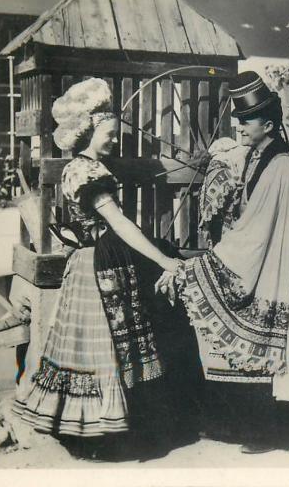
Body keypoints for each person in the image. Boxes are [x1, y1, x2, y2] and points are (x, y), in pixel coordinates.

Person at [175, 71, 289, 454]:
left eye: (246, 121)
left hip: (283, 254)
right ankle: (276, 423)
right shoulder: (257, 155)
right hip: (268, 248)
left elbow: (263, 221)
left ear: (268, 124)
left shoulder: (282, 164)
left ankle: (282, 428)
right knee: (276, 340)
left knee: (285, 338)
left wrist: (215, 261)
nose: (239, 127)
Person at [12, 78, 183, 457]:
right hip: (97, 266)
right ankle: (100, 434)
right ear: (89, 131)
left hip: (92, 262)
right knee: (103, 346)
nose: (114, 140)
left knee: (96, 347)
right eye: (109, 133)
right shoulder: (88, 173)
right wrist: (163, 259)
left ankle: (94, 431)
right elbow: (120, 225)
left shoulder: (84, 167)